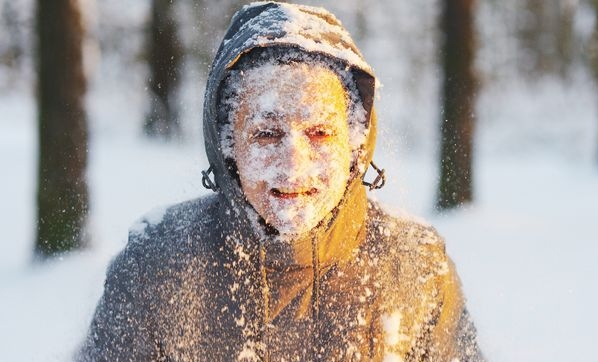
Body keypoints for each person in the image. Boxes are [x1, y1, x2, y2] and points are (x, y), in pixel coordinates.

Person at [77, 2, 484, 361]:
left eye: (320, 133)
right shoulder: (158, 265)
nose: (294, 165)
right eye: (267, 134)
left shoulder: (413, 266)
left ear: (356, 142)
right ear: (227, 144)